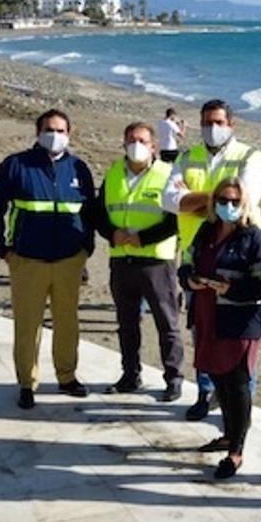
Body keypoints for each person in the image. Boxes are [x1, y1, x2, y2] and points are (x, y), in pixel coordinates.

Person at [163, 99, 261, 421]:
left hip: (240, 260)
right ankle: (205, 393)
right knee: (203, 334)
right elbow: (169, 200)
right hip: (199, 257)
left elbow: (243, 199)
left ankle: (238, 411)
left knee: (237, 340)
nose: (213, 128)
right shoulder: (187, 157)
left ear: (231, 125)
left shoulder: (252, 158)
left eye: (219, 122)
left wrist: (191, 199)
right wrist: (216, 198)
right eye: (207, 122)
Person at [0, 108, 96, 409]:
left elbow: (89, 213)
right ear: (37, 132)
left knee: (67, 323)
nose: (54, 135)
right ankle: (26, 383)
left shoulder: (78, 169)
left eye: (60, 130)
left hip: (69, 262)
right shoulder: (16, 165)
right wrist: (3, 249)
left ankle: (67, 376)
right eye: (49, 129)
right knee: (28, 325)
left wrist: (87, 249)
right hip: (27, 261)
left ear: (69, 135)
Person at [178, 177, 261, 479]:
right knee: (218, 377)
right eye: (222, 200)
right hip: (206, 315)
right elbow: (186, 261)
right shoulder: (206, 231)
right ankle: (228, 434)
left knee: (237, 383)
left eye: (234, 201)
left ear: (244, 205)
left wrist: (230, 289)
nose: (227, 206)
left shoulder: (253, 238)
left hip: (239, 321)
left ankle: (236, 451)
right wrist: (188, 279)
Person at [92, 121, 183, 400]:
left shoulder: (169, 175)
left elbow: (176, 220)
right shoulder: (113, 174)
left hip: (156, 263)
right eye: (131, 140)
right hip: (122, 262)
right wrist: (112, 234)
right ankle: (130, 375)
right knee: (127, 323)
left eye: (142, 140)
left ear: (153, 146)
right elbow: (98, 214)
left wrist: (143, 239)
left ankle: (174, 378)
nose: (136, 145)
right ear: (123, 144)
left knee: (167, 324)